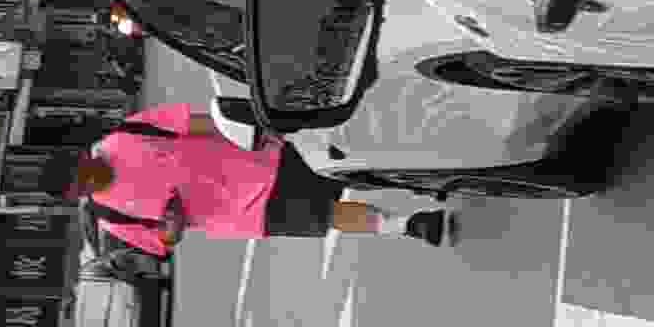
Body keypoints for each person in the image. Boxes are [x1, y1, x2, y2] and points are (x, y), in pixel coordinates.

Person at [74, 100, 458, 250]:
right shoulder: (111, 217)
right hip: (246, 214)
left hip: (259, 156)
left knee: (349, 167)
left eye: (81, 174)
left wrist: (258, 127)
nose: (87, 184)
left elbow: (197, 123)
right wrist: (171, 227)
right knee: (330, 215)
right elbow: (162, 243)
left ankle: (424, 180)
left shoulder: (126, 135)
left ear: (81, 159)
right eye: (79, 188)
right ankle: (407, 225)